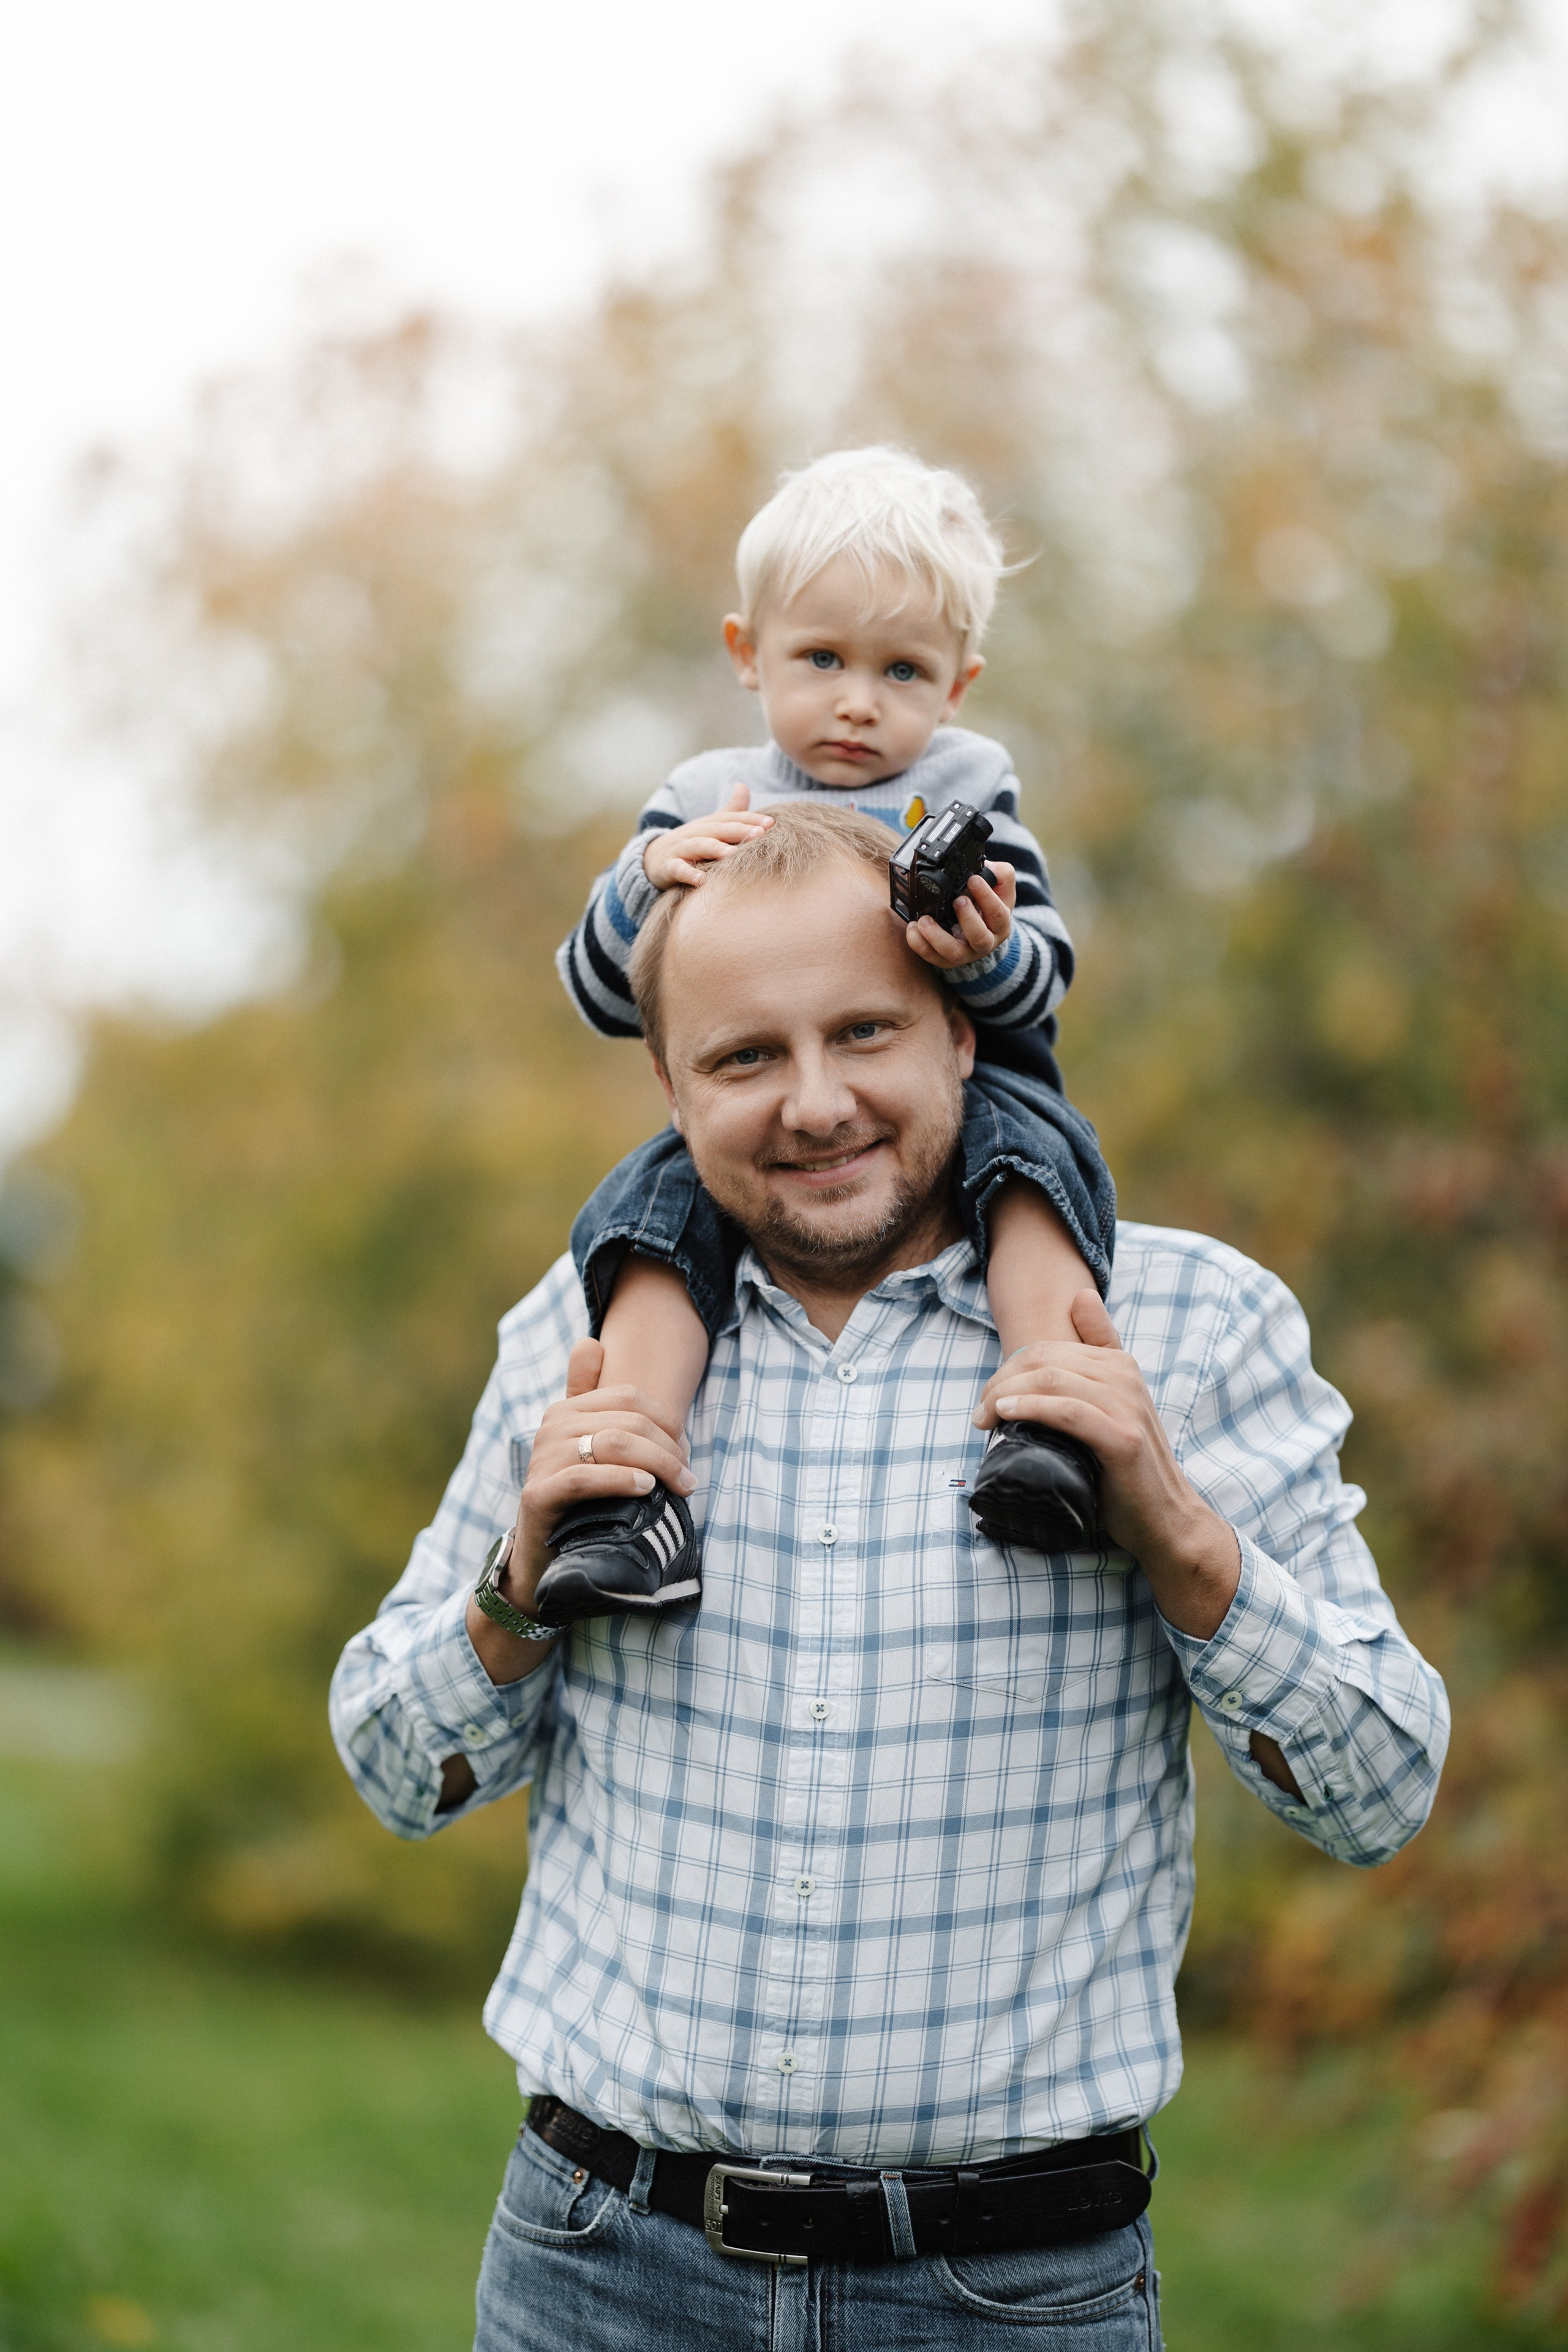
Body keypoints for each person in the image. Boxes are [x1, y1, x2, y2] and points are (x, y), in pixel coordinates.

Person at [330, 804, 1450, 2352]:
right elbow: (395, 1775)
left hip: (1010, 2297)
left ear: (964, 1035)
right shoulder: (580, 1339)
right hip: (600, 2274)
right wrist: (518, 1581)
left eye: (864, 1032)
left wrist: (1180, 1535)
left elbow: (1379, 1793)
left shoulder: (1187, 1326)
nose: (815, 1103)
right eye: (744, 1057)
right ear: (669, 1086)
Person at [543, 447, 1118, 1621]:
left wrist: (982, 950)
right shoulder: (703, 798)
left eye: (902, 670)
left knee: (1034, 1184)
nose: (859, 701)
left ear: (957, 686)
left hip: (978, 1086)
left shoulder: (964, 791)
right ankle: (628, 1489)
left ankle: (1052, 1422)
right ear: (747, 653)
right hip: (749, 1126)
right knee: (650, 1220)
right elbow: (602, 995)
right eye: (822, 660)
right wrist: (647, 878)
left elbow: (1045, 974)